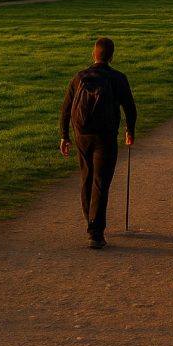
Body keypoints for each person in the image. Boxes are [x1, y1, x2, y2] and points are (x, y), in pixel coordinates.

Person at [59, 37, 138, 249]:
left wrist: (65, 136)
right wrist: (130, 131)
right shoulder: (118, 78)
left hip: (82, 135)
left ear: (93, 54)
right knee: (100, 183)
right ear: (111, 57)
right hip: (106, 136)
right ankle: (95, 233)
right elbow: (130, 108)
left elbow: (66, 109)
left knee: (86, 179)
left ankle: (91, 222)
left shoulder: (79, 77)